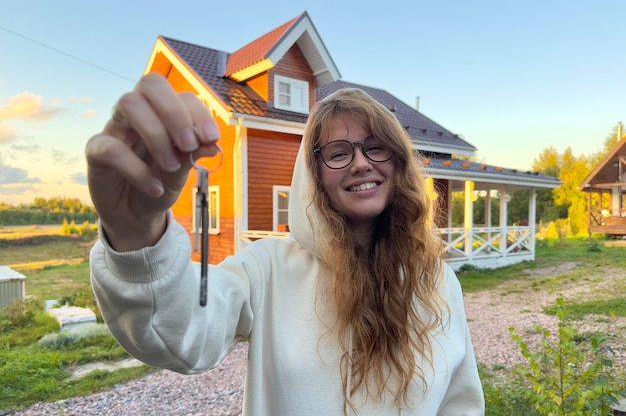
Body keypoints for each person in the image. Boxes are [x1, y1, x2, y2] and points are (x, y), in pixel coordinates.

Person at [86, 73, 485, 416]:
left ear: (397, 161)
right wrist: (137, 234)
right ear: (314, 177)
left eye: (375, 146)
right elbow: (182, 333)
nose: (361, 163)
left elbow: (460, 402)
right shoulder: (267, 269)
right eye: (338, 153)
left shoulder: (438, 281)